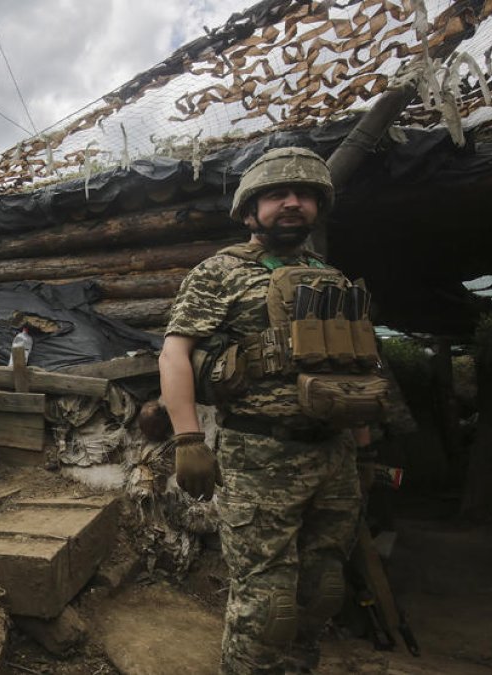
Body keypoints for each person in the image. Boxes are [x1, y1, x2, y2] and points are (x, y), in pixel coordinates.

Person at [158, 147, 382, 674]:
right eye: (277, 194)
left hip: (334, 456)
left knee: (322, 590)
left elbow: (358, 364)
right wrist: (188, 440)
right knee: (267, 604)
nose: (292, 203)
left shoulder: (332, 278)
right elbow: (175, 353)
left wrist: (365, 450)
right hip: (259, 454)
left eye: (304, 195)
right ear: (247, 210)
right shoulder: (220, 273)